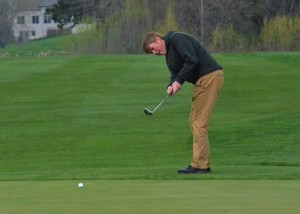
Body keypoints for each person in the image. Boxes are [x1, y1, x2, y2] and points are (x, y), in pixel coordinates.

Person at [142, 31, 224, 174]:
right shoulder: (169, 58)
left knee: (199, 123)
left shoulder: (176, 38)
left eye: (153, 48)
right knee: (194, 121)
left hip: (209, 77)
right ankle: (200, 163)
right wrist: (171, 84)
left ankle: (201, 165)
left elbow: (192, 60)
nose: (155, 53)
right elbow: (175, 74)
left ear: (158, 39)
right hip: (203, 81)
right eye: (152, 53)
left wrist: (179, 81)